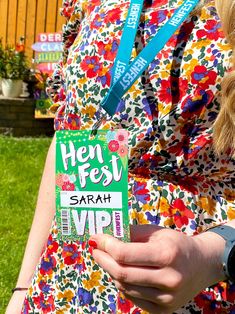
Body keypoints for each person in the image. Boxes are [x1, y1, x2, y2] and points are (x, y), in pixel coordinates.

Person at [6, 0, 235, 313]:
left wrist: (211, 255)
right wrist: (25, 284)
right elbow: (70, 137)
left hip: (204, 285)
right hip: (69, 280)